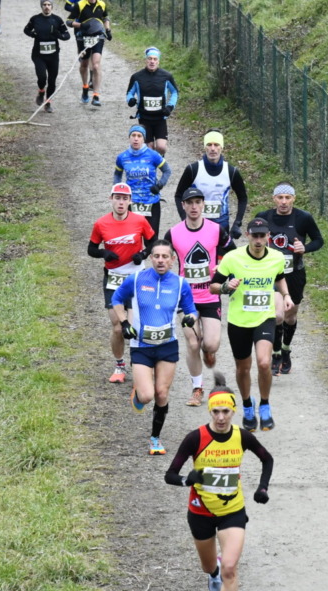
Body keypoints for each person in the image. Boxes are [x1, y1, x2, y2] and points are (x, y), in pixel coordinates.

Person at [164, 373, 272, 591]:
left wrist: (262, 487)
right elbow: (170, 475)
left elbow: (267, 459)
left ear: (233, 411)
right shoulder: (195, 438)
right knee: (209, 566)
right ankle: (213, 573)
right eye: (216, 412)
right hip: (200, 512)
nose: (221, 417)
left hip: (232, 511)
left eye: (225, 411)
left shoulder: (242, 436)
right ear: (209, 412)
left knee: (230, 569)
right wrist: (186, 480)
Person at [112, 237, 198, 454]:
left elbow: (191, 309)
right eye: (157, 256)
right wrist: (124, 323)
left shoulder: (180, 283)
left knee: (161, 393)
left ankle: (155, 438)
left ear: (172, 260)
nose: (161, 260)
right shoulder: (137, 279)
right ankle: (139, 393)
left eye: (165, 257)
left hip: (167, 345)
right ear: (151, 258)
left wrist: (190, 318)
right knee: (147, 396)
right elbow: (116, 298)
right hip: (141, 345)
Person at [210, 217, 292, 432]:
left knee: (264, 363)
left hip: (264, 317)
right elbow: (213, 287)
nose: (258, 240)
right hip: (238, 320)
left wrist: (285, 295)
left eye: (262, 236)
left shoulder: (276, 257)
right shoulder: (232, 258)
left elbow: (280, 276)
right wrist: (226, 286)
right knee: (243, 368)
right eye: (254, 236)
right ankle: (247, 404)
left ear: (268, 237)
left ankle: (265, 404)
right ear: (247, 236)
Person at [164, 186, 228, 406]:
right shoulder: (173, 233)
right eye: (189, 203)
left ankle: (208, 352)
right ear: (183, 206)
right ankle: (197, 389)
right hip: (186, 298)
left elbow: (232, 254)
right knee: (193, 343)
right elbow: (162, 256)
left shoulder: (215, 229)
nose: (194, 207)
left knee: (210, 344)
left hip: (210, 295)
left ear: (203, 205)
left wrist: (220, 269)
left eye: (198, 202)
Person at [89, 182, 154, 384]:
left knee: (134, 324)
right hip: (113, 278)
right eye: (117, 198)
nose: (121, 202)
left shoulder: (140, 221)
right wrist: (103, 252)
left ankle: (140, 366)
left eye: (125, 198)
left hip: (135, 277)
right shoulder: (101, 224)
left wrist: (142, 254)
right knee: (117, 326)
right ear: (111, 199)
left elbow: (153, 241)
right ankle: (119, 366)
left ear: (129, 201)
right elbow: (91, 249)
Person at [256, 182, 324, 375]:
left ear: (293, 198)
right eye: (280, 197)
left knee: (290, 315)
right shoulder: (263, 217)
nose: (284, 202)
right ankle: (275, 352)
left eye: (287, 197)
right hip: (270, 274)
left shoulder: (303, 218)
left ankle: (286, 349)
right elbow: (255, 240)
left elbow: (318, 240)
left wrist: (305, 248)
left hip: (294, 273)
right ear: (274, 199)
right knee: (277, 315)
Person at [173, 130, 249, 242]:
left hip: (221, 225)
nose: (213, 148)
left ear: (221, 147)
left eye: (216, 144)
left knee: (220, 259)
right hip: (196, 223)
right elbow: (178, 195)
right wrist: (184, 218)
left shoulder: (231, 171)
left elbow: (242, 198)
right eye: (209, 145)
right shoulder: (193, 169)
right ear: (205, 147)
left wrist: (237, 223)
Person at [114, 124, 171, 238]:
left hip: (151, 201)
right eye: (133, 135)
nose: (136, 138)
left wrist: (159, 185)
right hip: (131, 202)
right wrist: (119, 192)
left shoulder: (153, 155)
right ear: (129, 137)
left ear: (143, 139)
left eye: (139, 136)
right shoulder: (122, 157)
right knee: (132, 238)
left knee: (151, 239)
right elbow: (117, 174)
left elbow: (167, 171)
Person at [125, 46, 178, 156]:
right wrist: (130, 100)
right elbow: (129, 93)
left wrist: (170, 106)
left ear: (158, 61)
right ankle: (152, 169)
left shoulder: (167, 76)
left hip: (160, 117)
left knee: (161, 147)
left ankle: (159, 159)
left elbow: (175, 92)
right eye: (150, 59)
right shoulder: (137, 77)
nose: (152, 61)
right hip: (144, 117)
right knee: (149, 148)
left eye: (155, 59)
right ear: (146, 60)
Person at [22, 0, 70, 112]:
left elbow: (67, 35)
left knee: (52, 80)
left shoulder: (57, 20)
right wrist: (33, 34)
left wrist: (58, 35)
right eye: (44, 5)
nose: (47, 7)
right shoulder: (35, 19)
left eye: (49, 5)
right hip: (39, 55)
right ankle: (41, 91)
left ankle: (48, 102)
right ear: (41, 6)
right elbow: (26, 30)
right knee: (42, 77)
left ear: (52, 6)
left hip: (53, 56)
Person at [68, 0, 110, 106]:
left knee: (96, 65)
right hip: (83, 37)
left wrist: (108, 30)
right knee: (84, 64)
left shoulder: (102, 4)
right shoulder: (79, 5)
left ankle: (96, 95)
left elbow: (105, 17)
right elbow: (69, 21)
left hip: (98, 37)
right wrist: (81, 26)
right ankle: (85, 87)